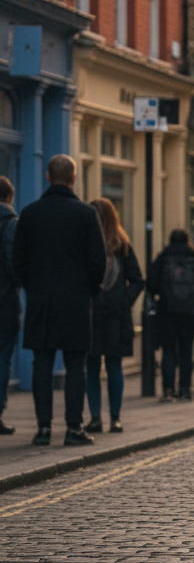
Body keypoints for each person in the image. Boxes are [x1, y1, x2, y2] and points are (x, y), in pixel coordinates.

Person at [12, 155, 106, 446]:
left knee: (41, 363)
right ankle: (74, 428)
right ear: (74, 179)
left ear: (48, 177)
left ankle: (42, 430)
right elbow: (98, 261)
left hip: (42, 299)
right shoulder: (86, 215)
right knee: (76, 364)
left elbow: (19, 261)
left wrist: (34, 288)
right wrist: (88, 290)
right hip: (76, 301)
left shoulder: (29, 214)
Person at [85, 198, 145, 433]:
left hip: (107, 314)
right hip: (103, 314)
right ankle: (109, 418)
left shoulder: (121, 246)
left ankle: (102, 417)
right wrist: (123, 300)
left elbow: (137, 280)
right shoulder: (119, 245)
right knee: (108, 365)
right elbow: (138, 280)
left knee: (102, 365)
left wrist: (122, 300)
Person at [147, 229, 194, 402]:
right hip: (189, 313)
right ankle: (185, 389)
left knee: (169, 352)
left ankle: (168, 389)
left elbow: (151, 284)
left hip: (167, 312)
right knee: (186, 352)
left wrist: (163, 295)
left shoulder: (163, 258)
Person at [0, 177, 20, 435]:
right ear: (10, 197)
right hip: (4, 298)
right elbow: (13, 262)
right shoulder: (11, 224)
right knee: (2, 356)